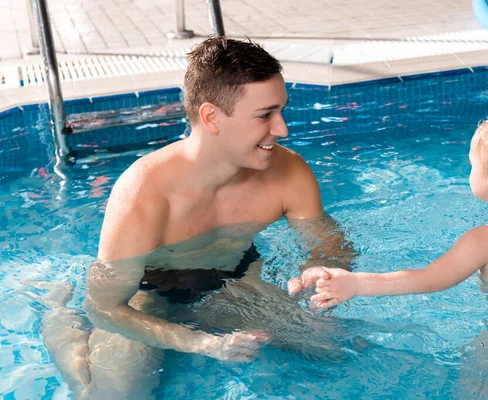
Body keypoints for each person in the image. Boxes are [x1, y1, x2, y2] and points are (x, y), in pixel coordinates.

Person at [34, 36, 354, 399]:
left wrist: (319, 269)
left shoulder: (288, 172)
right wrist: (201, 344)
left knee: (330, 347)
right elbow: (105, 307)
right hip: (146, 294)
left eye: (281, 110)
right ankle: (57, 313)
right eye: (265, 115)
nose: (282, 129)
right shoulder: (144, 192)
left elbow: (330, 244)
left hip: (231, 281)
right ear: (211, 117)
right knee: (116, 395)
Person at [293, 113, 488, 327]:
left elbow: (429, 280)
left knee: (477, 384)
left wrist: (356, 283)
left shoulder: (484, 239)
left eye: (471, 166)